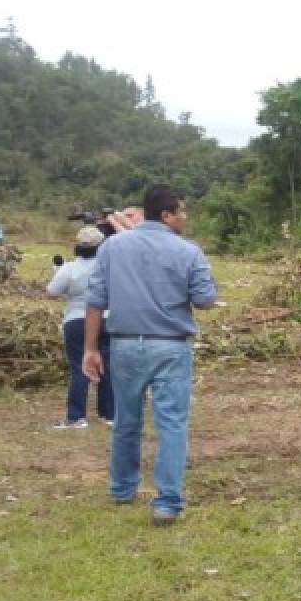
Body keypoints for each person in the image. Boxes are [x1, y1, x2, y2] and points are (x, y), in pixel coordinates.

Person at [83, 184, 219, 525]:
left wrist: (89, 348)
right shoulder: (189, 251)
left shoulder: (112, 247)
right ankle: (167, 502)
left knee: (126, 420)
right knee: (171, 423)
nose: (186, 217)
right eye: (182, 211)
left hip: (125, 345)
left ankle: (122, 488)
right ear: (167, 215)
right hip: (170, 345)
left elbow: (96, 300)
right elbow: (205, 299)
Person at [46, 226, 114, 429]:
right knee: (107, 367)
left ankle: (76, 417)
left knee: (79, 367)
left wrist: (59, 272)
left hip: (77, 319)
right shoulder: (109, 267)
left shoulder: (70, 268)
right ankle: (109, 414)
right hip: (107, 318)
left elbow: (51, 292)